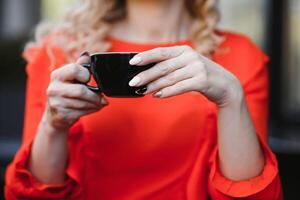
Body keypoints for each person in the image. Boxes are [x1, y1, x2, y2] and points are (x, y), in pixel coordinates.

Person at [5, 0, 283, 199]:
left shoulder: (242, 56)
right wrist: (53, 126)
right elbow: (34, 193)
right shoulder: (57, 52)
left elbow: (250, 195)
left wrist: (231, 99)